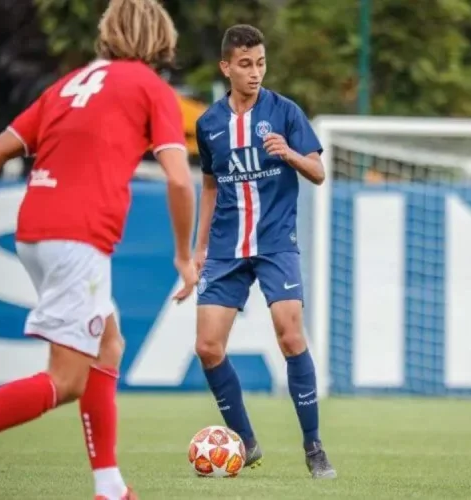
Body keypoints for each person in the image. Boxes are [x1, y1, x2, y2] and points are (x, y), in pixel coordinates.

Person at [0, 0, 198, 498]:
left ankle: (109, 487)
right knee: (65, 381)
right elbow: (179, 181)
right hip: (77, 240)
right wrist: (184, 257)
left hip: (34, 231)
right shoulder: (151, 88)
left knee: (108, 345)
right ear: (160, 41)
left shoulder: (67, 86)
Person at [193, 24, 336, 479]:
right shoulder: (209, 124)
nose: (255, 73)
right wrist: (199, 249)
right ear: (226, 67)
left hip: (276, 242)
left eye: (260, 64)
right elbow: (210, 187)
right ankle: (246, 443)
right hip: (226, 249)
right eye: (245, 65)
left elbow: (318, 171)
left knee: (290, 334)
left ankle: (314, 447)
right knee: (207, 347)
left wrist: (289, 154)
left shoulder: (285, 112)